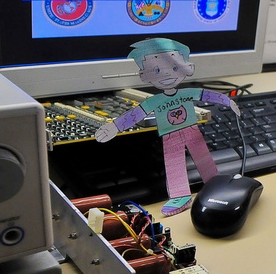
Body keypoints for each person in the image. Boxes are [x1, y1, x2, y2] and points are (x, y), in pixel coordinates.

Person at [95, 38, 240, 216]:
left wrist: (228, 101)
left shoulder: (187, 93)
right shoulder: (155, 100)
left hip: (192, 131)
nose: (166, 75)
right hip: (170, 137)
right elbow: (136, 115)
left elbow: (207, 95)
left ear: (188, 68)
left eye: (174, 67)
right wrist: (114, 127)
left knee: (204, 159)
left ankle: (215, 185)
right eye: (156, 70)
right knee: (175, 164)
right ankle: (180, 196)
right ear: (144, 75)